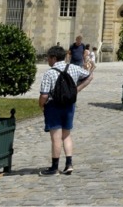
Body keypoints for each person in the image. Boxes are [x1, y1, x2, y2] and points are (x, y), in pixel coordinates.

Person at [37, 45, 93, 176]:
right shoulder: (74, 68)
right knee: (66, 135)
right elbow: (89, 76)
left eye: (48, 58)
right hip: (69, 105)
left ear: (54, 58)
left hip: (54, 106)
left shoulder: (49, 73)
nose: (47, 61)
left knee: (56, 138)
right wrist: (76, 90)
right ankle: (69, 164)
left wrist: (41, 105)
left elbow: (44, 95)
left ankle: (54, 168)